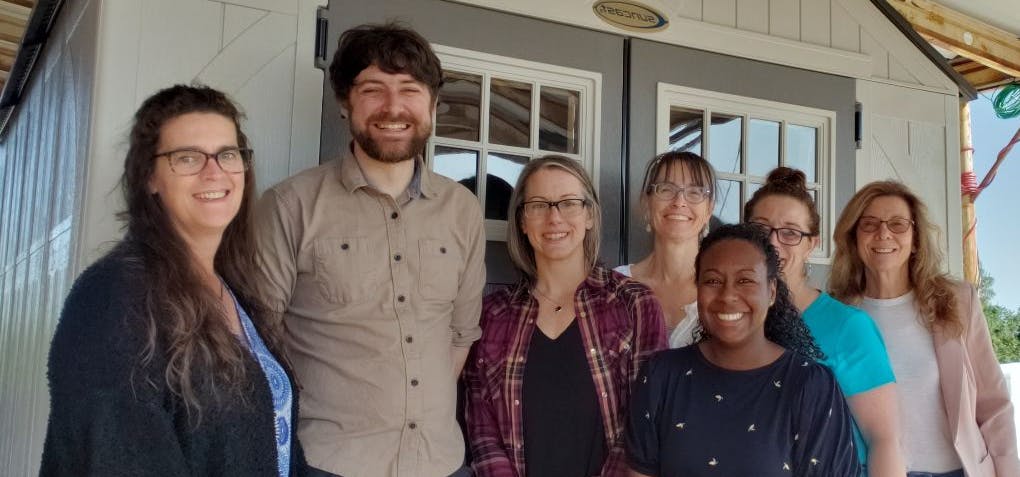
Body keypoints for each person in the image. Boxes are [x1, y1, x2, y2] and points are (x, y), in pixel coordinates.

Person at [255, 22, 485, 477]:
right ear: (345, 102)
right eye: (373, 89)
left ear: (432, 104)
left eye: (410, 89)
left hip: (440, 462)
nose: (394, 107)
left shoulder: (463, 208)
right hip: (327, 463)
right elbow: (256, 345)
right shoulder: (289, 205)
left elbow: (459, 337)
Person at [39, 85, 304, 476]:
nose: (214, 171)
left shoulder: (232, 290)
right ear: (149, 177)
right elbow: (116, 460)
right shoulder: (113, 296)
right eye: (187, 157)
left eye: (227, 154)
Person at [465, 155, 666, 477]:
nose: (554, 217)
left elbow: (645, 421)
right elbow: (482, 431)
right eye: (539, 205)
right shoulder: (493, 314)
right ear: (522, 221)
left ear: (589, 215)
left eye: (569, 203)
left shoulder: (633, 304)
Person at [628, 223, 860, 477]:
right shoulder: (661, 375)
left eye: (745, 280)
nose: (728, 295)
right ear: (698, 289)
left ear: (771, 292)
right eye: (713, 280)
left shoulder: (810, 386)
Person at [829, 180, 1019, 477]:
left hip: (958, 471)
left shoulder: (957, 302)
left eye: (898, 224)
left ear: (916, 238)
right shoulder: (837, 315)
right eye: (869, 224)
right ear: (853, 238)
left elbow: (993, 404)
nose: (883, 233)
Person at [743, 167, 903, 476]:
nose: (773, 243)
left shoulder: (847, 327)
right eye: (761, 229)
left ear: (811, 244)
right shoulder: (733, 321)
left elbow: (885, 440)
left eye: (790, 232)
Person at [615, 151, 716, 348]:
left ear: (709, 210)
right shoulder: (614, 286)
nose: (679, 201)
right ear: (647, 203)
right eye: (666, 189)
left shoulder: (724, 289)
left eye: (695, 192)